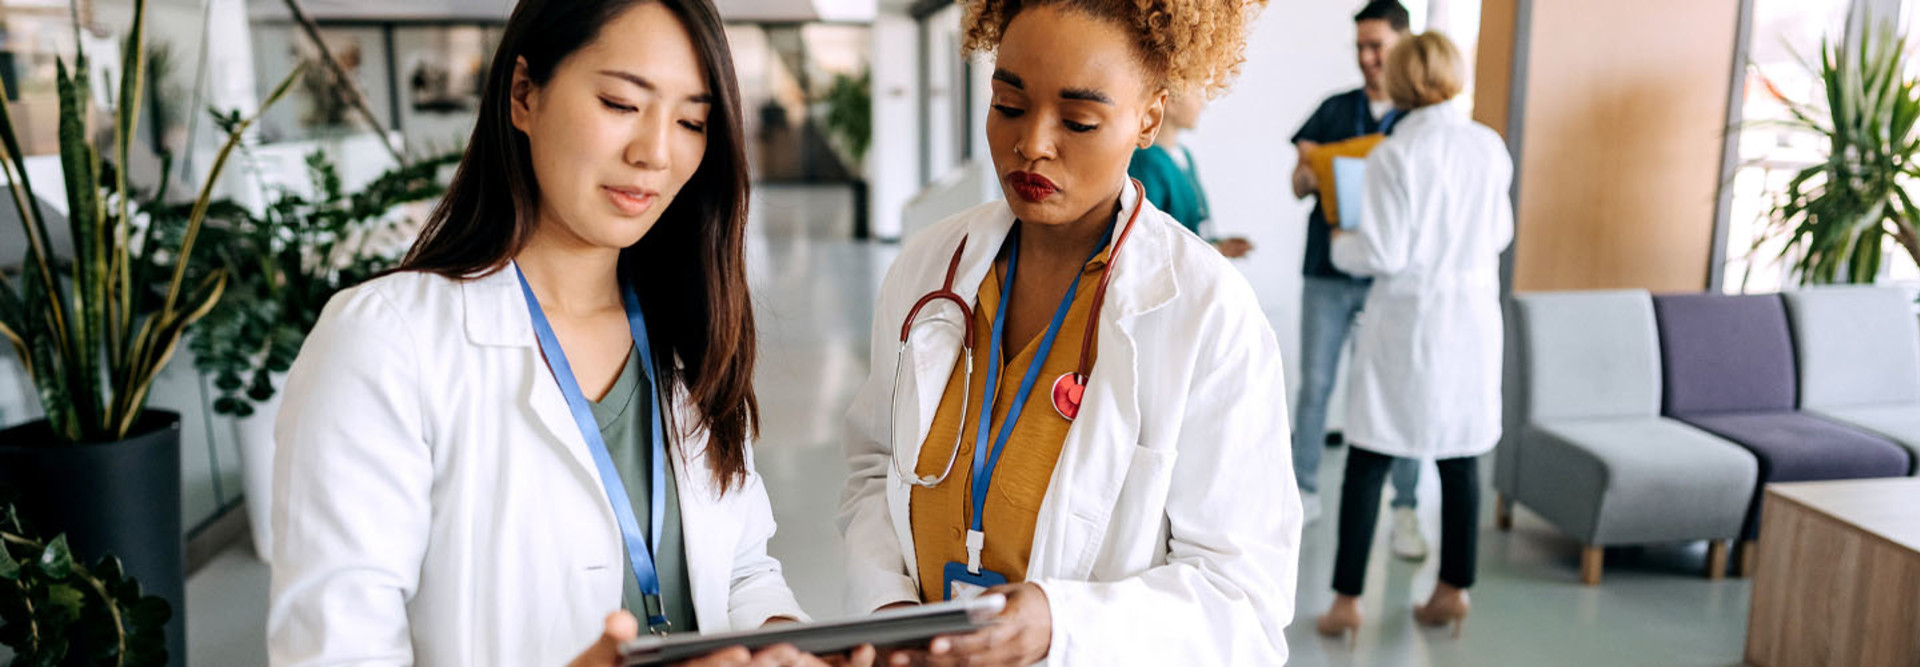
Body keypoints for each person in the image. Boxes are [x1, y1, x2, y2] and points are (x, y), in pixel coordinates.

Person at [268, 1, 868, 665]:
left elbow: (741, 569)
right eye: (619, 103)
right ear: (524, 94)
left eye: (692, 120)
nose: (656, 152)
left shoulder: (686, 331)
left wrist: (784, 639)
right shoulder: (385, 342)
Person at [838, 0, 1298, 663]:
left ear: (1148, 117)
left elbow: (1243, 602)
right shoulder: (928, 268)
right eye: (1009, 105)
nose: (1034, 144)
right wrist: (887, 609)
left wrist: (1065, 626)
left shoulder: (1207, 313)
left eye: (1079, 120)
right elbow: (873, 467)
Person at [1315, 30, 1514, 643]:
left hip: (1409, 322)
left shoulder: (1393, 155)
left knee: (1370, 456)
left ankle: (1347, 603)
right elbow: (1500, 234)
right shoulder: (1489, 146)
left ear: (1401, 81)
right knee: (1459, 457)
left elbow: (1386, 250)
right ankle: (1453, 590)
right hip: (1472, 320)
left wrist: (1340, 242)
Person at [1287, 0, 1427, 559]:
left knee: (1401, 388)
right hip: (1326, 271)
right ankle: (1304, 489)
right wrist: (1310, 168)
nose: (1369, 59)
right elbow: (1298, 184)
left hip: (1392, 279)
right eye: (1362, 48)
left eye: (1379, 47)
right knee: (1316, 385)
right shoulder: (1333, 110)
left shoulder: (1421, 122)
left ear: (1404, 45)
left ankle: (1406, 507)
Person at [1127, 89, 1252, 257]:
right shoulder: (1148, 161)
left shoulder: (1185, 157)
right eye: (1196, 94)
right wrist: (1216, 250)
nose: (1203, 106)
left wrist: (1216, 245)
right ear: (1170, 102)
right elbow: (1147, 238)